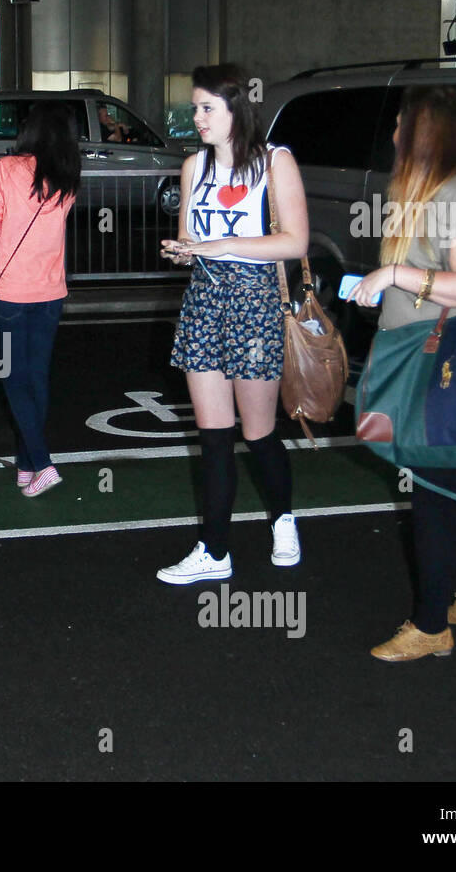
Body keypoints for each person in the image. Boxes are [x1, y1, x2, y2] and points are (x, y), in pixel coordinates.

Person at [349, 86, 456, 662]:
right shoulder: (441, 192)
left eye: (401, 125)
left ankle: (431, 624)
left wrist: (394, 273)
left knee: (433, 490)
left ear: (424, 135)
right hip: (428, 355)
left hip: (444, 360)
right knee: (445, 481)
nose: (393, 134)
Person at [156, 63, 309, 585]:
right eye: (194, 107)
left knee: (259, 432)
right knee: (214, 435)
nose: (195, 117)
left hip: (254, 303)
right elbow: (189, 239)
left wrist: (221, 245)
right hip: (203, 302)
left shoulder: (274, 162)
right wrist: (183, 251)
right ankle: (214, 549)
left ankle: (283, 517)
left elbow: (294, 242)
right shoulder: (192, 168)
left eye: (206, 108)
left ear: (235, 111)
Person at [0, 102, 79, 498]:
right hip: (50, 290)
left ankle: (43, 461)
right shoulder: (68, 175)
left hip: (10, 290)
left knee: (9, 376)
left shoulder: (7, 170)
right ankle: (26, 467)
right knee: (35, 378)